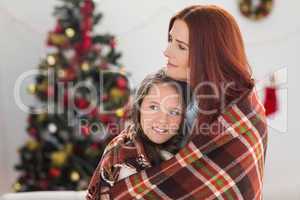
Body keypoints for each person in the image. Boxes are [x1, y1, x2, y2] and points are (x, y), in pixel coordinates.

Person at [105, 5, 268, 199]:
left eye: (181, 46)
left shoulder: (241, 114)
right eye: (170, 40)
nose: (166, 51)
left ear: (209, 54)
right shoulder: (182, 93)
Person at [86, 71, 192, 200]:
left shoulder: (185, 154)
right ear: (139, 107)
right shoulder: (124, 162)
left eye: (174, 112)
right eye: (154, 107)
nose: (163, 120)